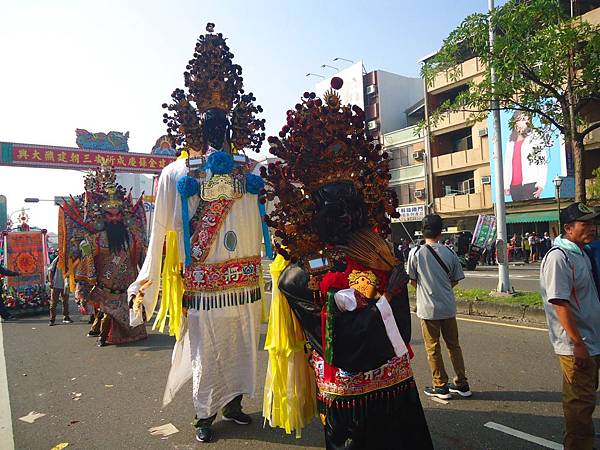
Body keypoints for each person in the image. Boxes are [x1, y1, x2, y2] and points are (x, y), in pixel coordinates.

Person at [261, 81, 433, 448]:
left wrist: (391, 294)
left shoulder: (379, 252)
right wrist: (388, 298)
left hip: (396, 384)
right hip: (349, 394)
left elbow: (399, 332)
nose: (345, 213)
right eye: (333, 204)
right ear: (313, 210)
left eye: (350, 202)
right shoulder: (300, 275)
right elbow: (341, 345)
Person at [128, 23, 267, 444]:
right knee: (207, 351)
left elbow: (278, 215)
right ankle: (204, 414)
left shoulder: (254, 170)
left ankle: (236, 404)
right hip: (204, 286)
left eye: (220, 123)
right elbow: (160, 234)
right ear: (193, 126)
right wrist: (146, 282)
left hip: (243, 282)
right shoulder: (174, 174)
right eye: (206, 124)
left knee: (244, 346)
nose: (214, 130)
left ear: (231, 126)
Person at [540, 202, 600, 450]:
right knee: (579, 405)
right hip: (576, 344)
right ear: (568, 228)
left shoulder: (581, 252)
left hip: (592, 339)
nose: (592, 228)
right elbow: (559, 303)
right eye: (585, 224)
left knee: (587, 399)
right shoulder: (559, 257)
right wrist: (578, 345)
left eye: (593, 223)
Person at [72, 166, 148, 347]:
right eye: (110, 215)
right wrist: (83, 288)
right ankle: (102, 337)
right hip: (106, 288)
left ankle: (111, 333)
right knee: (107, 312)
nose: (115, 219)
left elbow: (143, 261)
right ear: (103, 217)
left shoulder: (133, 237)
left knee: (130, 317)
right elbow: (86, 264)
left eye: (118, 214)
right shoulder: (95, 240)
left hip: (128, 289)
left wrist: (148, 279)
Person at [407, 214, 471, 400]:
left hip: (427, 309)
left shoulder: (416, 253)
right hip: (448, 307)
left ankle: (440, 385)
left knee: (433, 347)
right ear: (440, 232)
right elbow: (456, 279)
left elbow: (412, 280)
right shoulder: (449, 252)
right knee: (454, 346)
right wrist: (443, 288)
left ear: (423, 230)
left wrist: (427, 288)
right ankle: (462, 383)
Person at [503, 110, 549, 201]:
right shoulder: (510, 141)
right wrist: (506, 185)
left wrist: (541, 184)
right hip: (514, 186)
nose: (523, 123)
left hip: (530, 183)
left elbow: (542, 161)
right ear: (515, 121)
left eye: (526, 120)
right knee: (519, 212)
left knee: (532, 212)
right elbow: (507, 164)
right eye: (521, 119)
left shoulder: (535, 137)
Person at [46, 255, 72, 326]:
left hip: (65, 285)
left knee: (65, 302)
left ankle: (66, 317)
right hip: (56, 284)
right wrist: (50, 281)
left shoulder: (70, 260)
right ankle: (52, 320)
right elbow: (50, 270)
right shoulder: (57, 259)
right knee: (53, 303)